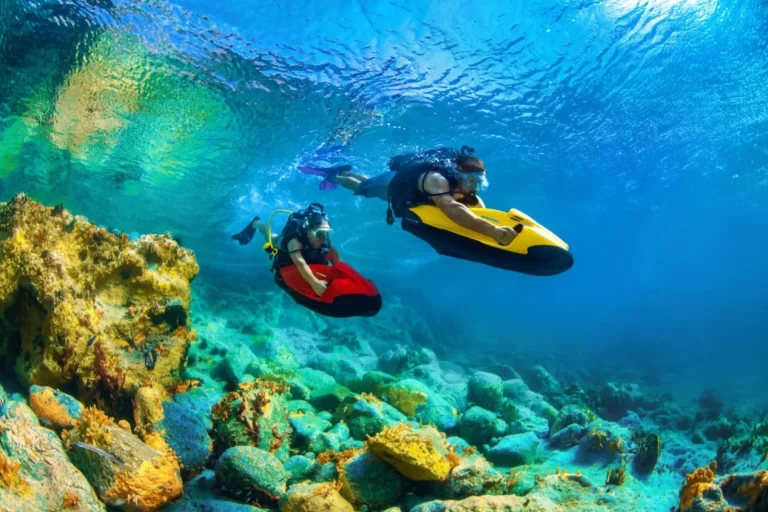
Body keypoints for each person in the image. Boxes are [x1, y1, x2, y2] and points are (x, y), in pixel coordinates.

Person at [299, 146, 519, 246]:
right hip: (391, 184)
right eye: (472, 182)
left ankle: (346, 171)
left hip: (400, 181)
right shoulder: (437, 180)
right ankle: (335, 176)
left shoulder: (460, 181)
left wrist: (489, 220)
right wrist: (492, 230)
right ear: (458, 174)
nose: (476, 187)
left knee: (368, 181)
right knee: (363, 189)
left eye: (480, 182)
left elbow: (472, 202)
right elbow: (452, 208)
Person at [232, 203, 340, 296]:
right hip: (284, 246)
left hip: (306, 249)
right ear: (309, 232)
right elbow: (299, 262)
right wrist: (315, 283)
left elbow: (338, 260)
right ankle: (257, 223)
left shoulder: (324, 240)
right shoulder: (294, 242)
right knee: (269, 236)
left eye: (328, 234)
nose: (324, 239)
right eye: (320, 234)